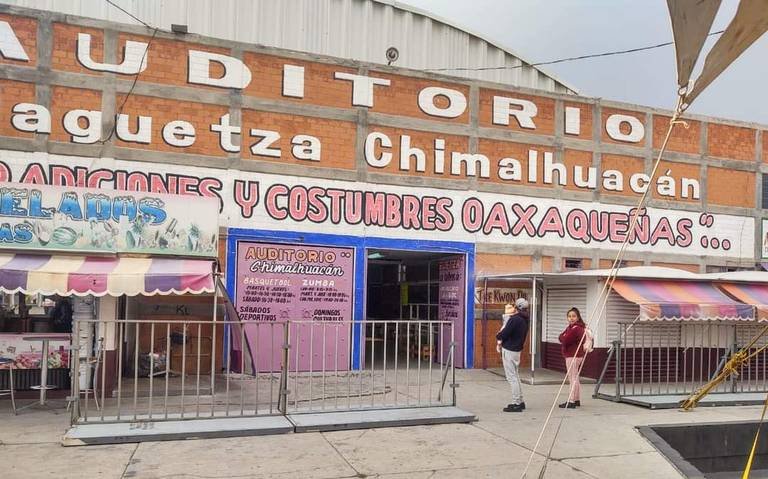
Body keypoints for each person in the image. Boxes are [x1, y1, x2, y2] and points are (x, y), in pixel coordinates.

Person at [496, 298, 530, 413]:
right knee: (515, 375)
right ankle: (520, 400)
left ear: (516, 307)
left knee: (511, 377)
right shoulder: (525, 319)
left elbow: (504, 333)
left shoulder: (514, 319)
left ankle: (516, 403)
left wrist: (498, 335)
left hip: (509, 349)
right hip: (517, 349)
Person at [558, 307, 586, 408]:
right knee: (575, 377)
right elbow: (561, 336)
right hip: (576, 355)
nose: (571, 318)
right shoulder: (572, 327)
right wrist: (563, 336)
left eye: (574, 316)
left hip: (573, 355)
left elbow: (565, 339)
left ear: (578, 317)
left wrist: (564, 336)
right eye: (569, 316)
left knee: (572, 378)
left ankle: (571, 400)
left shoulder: (575, 328)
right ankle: (576, 399)